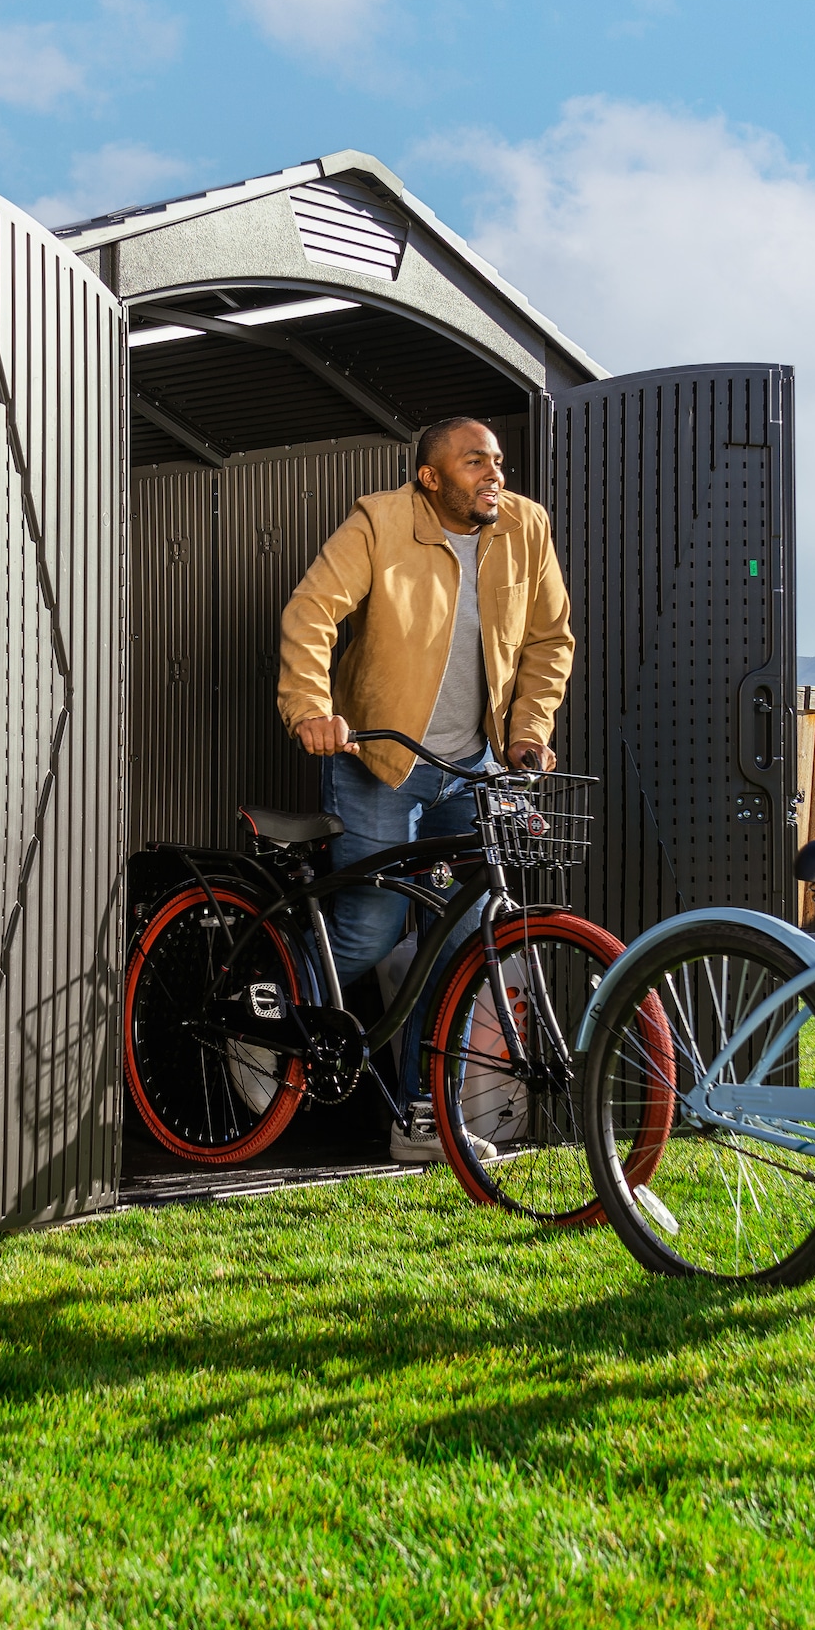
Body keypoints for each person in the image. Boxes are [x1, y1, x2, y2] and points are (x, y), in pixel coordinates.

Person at [278, 417, 575, 1162]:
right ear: (431, 478)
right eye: (475, 462)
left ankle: (420, 1115)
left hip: (476, 767)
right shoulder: (379, 522)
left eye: (498, 461)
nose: (493, 473)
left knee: (457, 945)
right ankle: (272, 1028)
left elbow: (549, 640)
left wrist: (529, 732)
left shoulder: (527, 530)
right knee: (369, 931)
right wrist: (312, 708)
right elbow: (311, 612)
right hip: (381, 757)